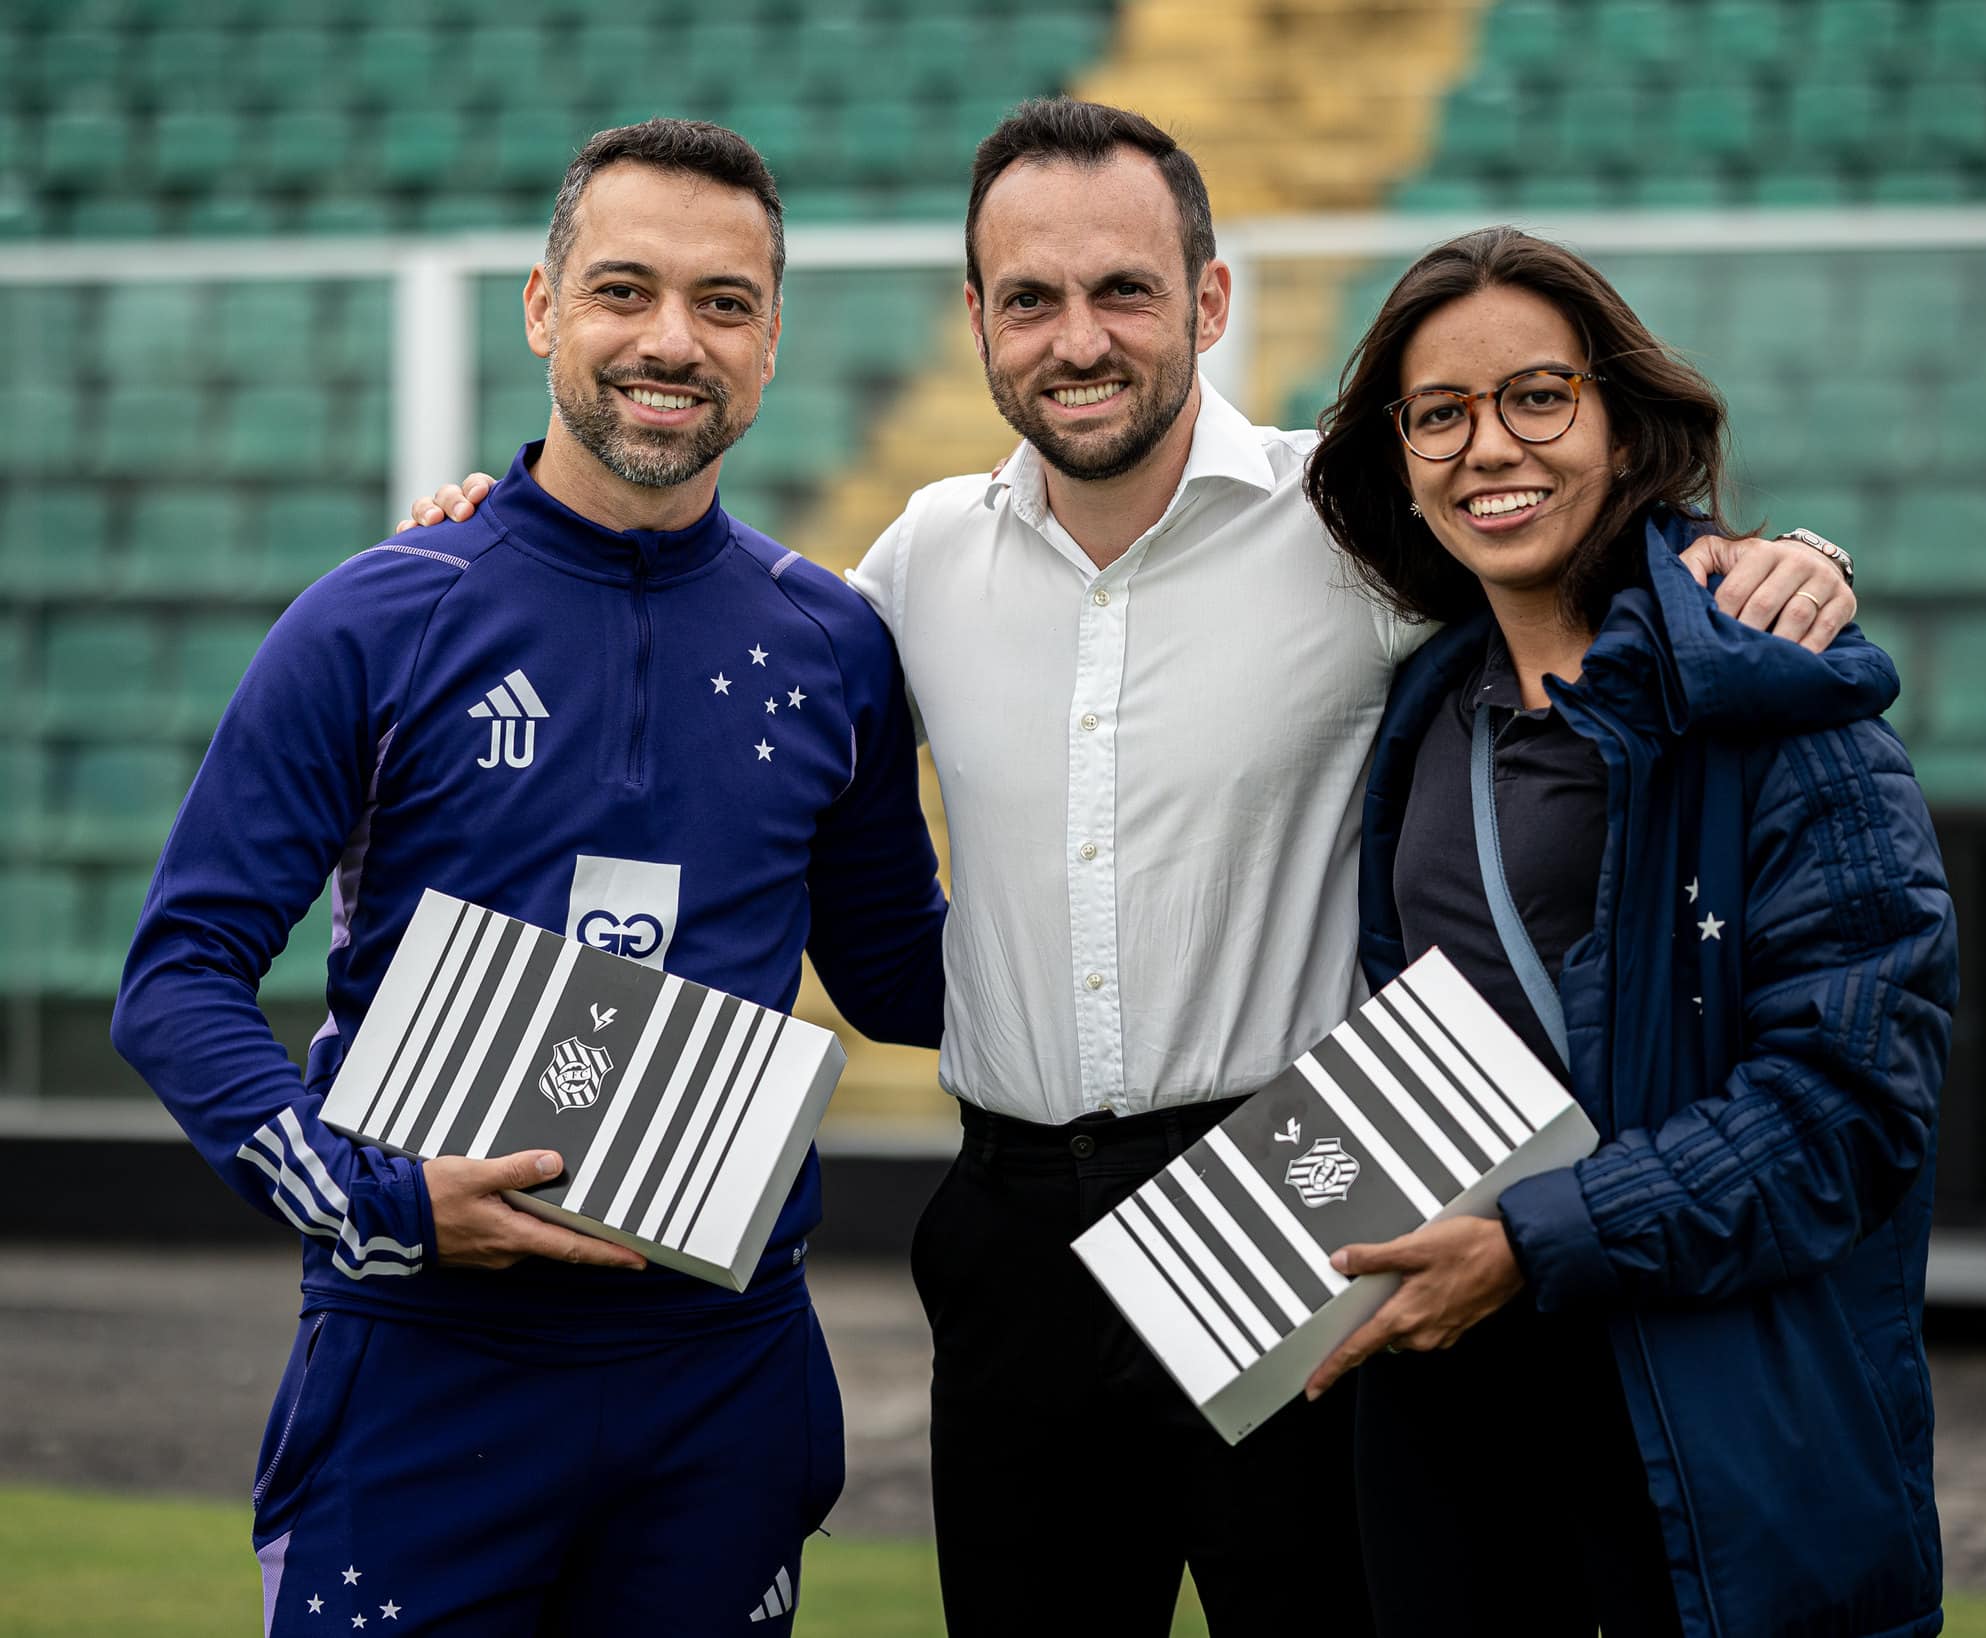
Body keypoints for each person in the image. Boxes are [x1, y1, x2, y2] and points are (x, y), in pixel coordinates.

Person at [404, 101, 1860, 1638]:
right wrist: (502, 531)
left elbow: (1567, 536)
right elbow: (709, 615)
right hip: (1010, 1233)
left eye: (1124, 291)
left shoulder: (1353, 522)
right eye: (1029, 298)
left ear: (1210, 301)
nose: (1076, 337)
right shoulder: (917, 561)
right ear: (976, 320)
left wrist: (1774, 556)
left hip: (1299, 1206)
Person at [112, 120, 947, 1636]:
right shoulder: (378, 617)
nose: (671, 341)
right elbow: (176, 979)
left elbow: (909, 976)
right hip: (425, 1357)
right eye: (624, 290)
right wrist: (380, 1202)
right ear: (542, 309)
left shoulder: (835, 645)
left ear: (771, 346)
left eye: (725, 302)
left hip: (724, 1371)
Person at [1297, 226, 1955, 1637]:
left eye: (1537, 395)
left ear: (1618, 418)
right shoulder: (1420, 719)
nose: (1490, 446)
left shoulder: (1781, 706)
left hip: (1702, 1432)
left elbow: (1850, 1105)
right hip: (1455, 1427)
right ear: (1400, 461)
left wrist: (1536, 1243)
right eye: (1440, 414)